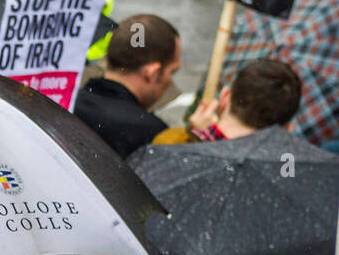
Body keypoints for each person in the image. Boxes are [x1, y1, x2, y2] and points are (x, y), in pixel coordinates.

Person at [73, 14, 181, 158]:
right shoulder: (151, 134)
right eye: (172, 72)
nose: (170, 82)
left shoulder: (67, 101)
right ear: (152, 72)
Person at [156, 58, 302, 144]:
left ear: (225, 96)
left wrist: (194, 138)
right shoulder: (284, 176)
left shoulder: (167, 142)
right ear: (287, 128)